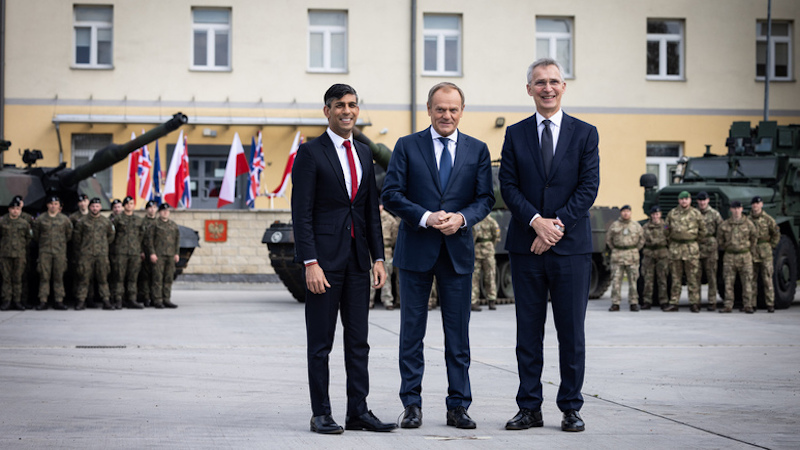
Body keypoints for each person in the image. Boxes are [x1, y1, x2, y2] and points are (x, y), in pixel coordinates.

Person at [383, 81, 493, 430]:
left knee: (458, 337)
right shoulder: (407, 146)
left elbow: (485, 198)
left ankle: (458, 406)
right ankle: (411, 404)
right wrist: (425, 217)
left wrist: (462, 218)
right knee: (411, 334)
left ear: (462, 111)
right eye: (440, 109)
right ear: (429, 110)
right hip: (416, 250)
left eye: (453, 109)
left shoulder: (477, 150)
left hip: (457, 253)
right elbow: (391, 194)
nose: (447, 115)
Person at [498, 58, 599, 432]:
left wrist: (554, 227)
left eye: (554, 81)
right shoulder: (515, 133)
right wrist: (536, 223)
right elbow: (508, 186)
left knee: (571, 333)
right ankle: (530, 408)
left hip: (571, 249)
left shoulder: (585, 133)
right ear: (529, 89)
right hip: (527, 248)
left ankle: (571, 407)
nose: (547, 88)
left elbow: (588, 187)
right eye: (540, 82)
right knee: (529, 332)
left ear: (564, 87)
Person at [291, 84, 394, 435]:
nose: (346, 110)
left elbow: (368, 211)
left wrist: (378, 257)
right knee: (321, 343)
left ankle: (358, 411)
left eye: (352, 105)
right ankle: (321, 413)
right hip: (324, 263)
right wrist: (310, 262)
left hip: (357, 263)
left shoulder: (364, 152)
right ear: (327, 111)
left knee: (359, 341)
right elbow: (301, 214)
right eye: (339, 105)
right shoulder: (310, 153)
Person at [664, 191, 706, 312]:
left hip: (690, 249)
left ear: (690, 200)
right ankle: (674, 302)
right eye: (682, 199)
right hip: (676, 249)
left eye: (686, 199)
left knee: (692, 277)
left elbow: (703, 230)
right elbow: (666, 228)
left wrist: (693, 241)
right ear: (679, 200)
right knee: (676, 278)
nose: (684, 201)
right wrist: (672, 240)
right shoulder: (672, 214)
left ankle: (694, 303)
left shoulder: (696, 214)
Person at [73, 198, 115, 310]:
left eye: (97, 206)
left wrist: (102, 246)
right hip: (86, 254)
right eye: (93, 206)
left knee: (103, 279)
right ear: (89, 207)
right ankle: (81, 301)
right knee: (84, 279)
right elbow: (77, 238)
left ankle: (106, 301)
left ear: (100, 207)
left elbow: (110, 237)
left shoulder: (106, 222)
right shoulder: (82, 221)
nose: (95, 208)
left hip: (101, 254)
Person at [32, 196, 73, 310]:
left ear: (59, 206)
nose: (53, 206)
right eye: (51, 203)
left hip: (59, 252)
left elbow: (69, 235)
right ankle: (43, 301)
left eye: (56, 204)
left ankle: (59, 301)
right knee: (44, 277)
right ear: (47, 205)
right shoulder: (40, 219)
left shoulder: (65, 219)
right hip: (45, 252)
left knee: (58, 277)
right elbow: (36, 236)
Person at [717, 201, 757, 313]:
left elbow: (754, 238)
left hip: (745, 255)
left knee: (747, 282)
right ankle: (728, 305)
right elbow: (720, 240)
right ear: (731, 209)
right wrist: (728, 247)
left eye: (738, 208)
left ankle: (748, 305)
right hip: (729, 256)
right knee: (728, 282)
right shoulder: (725, 225)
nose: (736, 210)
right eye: (734, 208)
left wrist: (748, 249)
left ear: (741, 209)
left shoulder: (748, 224)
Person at [606, 205, 645, 311]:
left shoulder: (636, 226)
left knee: (633, 281)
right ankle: (615, 303)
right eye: (624, 211)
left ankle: (633, 302)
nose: (626, 213)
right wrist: (615, 249)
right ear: (621, 213)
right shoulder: (614, 225)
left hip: (632, 256)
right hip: (617, 256)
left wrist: (634, 250)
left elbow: (641, 240)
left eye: (628, 211)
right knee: (616, 280)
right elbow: (609, 239)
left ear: (630, 212)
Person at [110, 196, 145, 309]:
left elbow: (142, 236)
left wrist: (140, 250)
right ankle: (118, 300)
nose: (129, 206)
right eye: (127, 204)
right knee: (119, 277)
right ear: (124, 206)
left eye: (131, 203)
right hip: (120, 252)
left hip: (134, 253)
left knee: (132, 278)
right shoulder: (117, 219)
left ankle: (131, 300)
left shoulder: (139, 220)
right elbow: (111, 235)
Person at [749, 196, 780, 313]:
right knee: (751, 280)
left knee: (767, 279)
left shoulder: (768, 219)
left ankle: (770, 303)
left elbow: (776, 233)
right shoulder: (747, 219)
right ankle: (752, 304)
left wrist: (771, 246)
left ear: (761, 205)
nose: (755, 206)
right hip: (752, 253)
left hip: (765, 252)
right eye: (754, 204)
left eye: (758, 203)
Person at [146, 203, 181, 309]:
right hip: (158, 255)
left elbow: (177, 240)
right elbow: (149, 240)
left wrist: (176, 253)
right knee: (158, 278)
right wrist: (152, 253)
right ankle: (157, 300)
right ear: (159, 212)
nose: (166, 212)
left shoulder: (173, 225)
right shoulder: (154, 224)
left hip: (170, 255)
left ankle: (166, 299)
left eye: (167, 211)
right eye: (163, 211)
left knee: (168, 278)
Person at [0, 198, 32, 311]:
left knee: (18, 278)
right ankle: (7, 300)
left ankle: (17, 301)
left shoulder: (24, 223)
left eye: (17, 208)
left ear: (20, 210)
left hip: (19, 254)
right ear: (9, 209)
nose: (15, 211)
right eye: (13, 208)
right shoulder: (2, 222)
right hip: (5, 254)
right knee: (6, 279)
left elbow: (29, 238)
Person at [696, 191, 723, 311]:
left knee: (711, 276)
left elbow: (721, 230)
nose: (702, 203)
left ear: (708, 201)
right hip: (696, 248)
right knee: (695, 277)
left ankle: (712, 301)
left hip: (710, 248)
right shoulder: (693, 213)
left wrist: (717, 243)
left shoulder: (715, 214)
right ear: (697, 201)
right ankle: (696, 301)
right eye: (700, 200)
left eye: (704, 200)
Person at [369, 204, 399, 310]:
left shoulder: (389, 219)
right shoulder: (369, 216)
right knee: (370, 277)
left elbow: (395, 236)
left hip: (386, 250)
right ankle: (369, 301)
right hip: (371, 251)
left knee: (386, 277)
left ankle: (388, 300)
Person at [641, 205, 669, 309]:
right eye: (653, 214)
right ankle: (647, 301)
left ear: (660, 214)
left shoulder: (666, 226)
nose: (655, 216)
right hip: (649, 254)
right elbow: (641, 239)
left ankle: (664, 301)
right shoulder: (646, 226)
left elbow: (670, 237)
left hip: (662, 254)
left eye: (657, 214)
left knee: (662, 278)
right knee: (648, 279)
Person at [471, 214, 501, 311]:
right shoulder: (475, 221)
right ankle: (473, 301)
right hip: (476, 251)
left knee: (490, 276)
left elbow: (496, 236)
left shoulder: (491, 221)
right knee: (474, 277)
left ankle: (491, 300)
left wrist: (490, 246)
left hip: (488, 251)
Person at [137, 200, 159, 306]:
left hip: (157, 253)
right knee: (145, 276)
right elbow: (139, 238)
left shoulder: (159, 222)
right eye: (150, 207)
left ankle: (155, 297)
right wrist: (141, 251)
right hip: (145, 252)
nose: (152, 209)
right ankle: (146, 297)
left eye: (154, 207)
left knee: (156, 276)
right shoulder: (142, 222)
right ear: (146, 209)